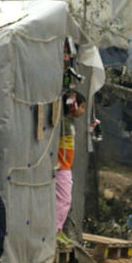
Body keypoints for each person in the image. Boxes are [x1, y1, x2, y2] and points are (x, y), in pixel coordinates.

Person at [55, 91, 86, 232]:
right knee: (64, 200)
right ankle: (57, 229)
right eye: (82, 107)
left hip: (64, 166)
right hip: (62, 167)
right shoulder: (62, 122)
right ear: (73, 106)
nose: (83, 110)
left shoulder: (69, 123)